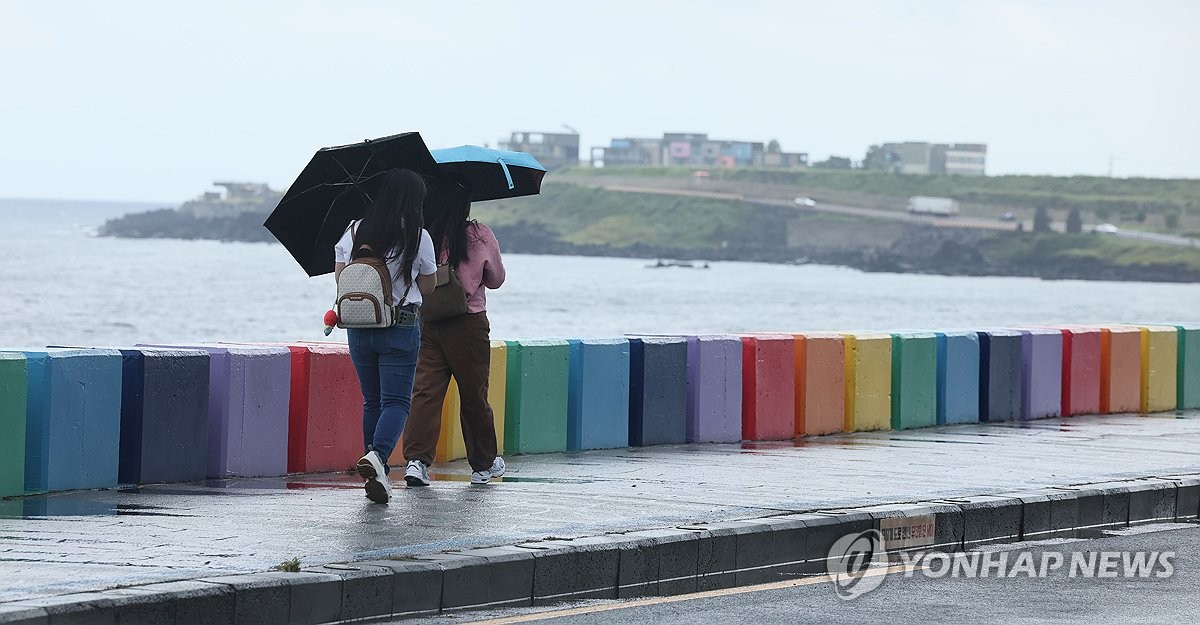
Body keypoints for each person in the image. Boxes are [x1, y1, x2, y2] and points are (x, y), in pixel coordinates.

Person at [334, 168, 437, 504]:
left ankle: (374, 470)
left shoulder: (352, 231)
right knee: (396, 402)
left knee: (373, 401)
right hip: (400, 326)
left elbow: (341, 280)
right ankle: (377, 456)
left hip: (360, 327)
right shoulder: (418, 236)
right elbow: (429, 286)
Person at [402, 179, 506, 486]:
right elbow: (496, 278)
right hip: (468, 323)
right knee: (474, 393)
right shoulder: (478, 234)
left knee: (426, 393)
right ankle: (482, 465)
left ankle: (417, 462)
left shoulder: (424, 235)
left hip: (430, 320)